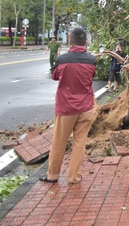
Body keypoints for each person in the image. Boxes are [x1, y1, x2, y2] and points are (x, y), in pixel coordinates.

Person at [40, 27, 96, 184]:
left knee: (59, 141)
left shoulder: (62, 59)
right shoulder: (91, 60)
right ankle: (74, 177)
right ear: (85, 42)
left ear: (70, 40)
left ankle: (52, 176)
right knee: (80, 143)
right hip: (86, 107)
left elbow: (54, 76)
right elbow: (91, 77)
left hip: (66, 108)